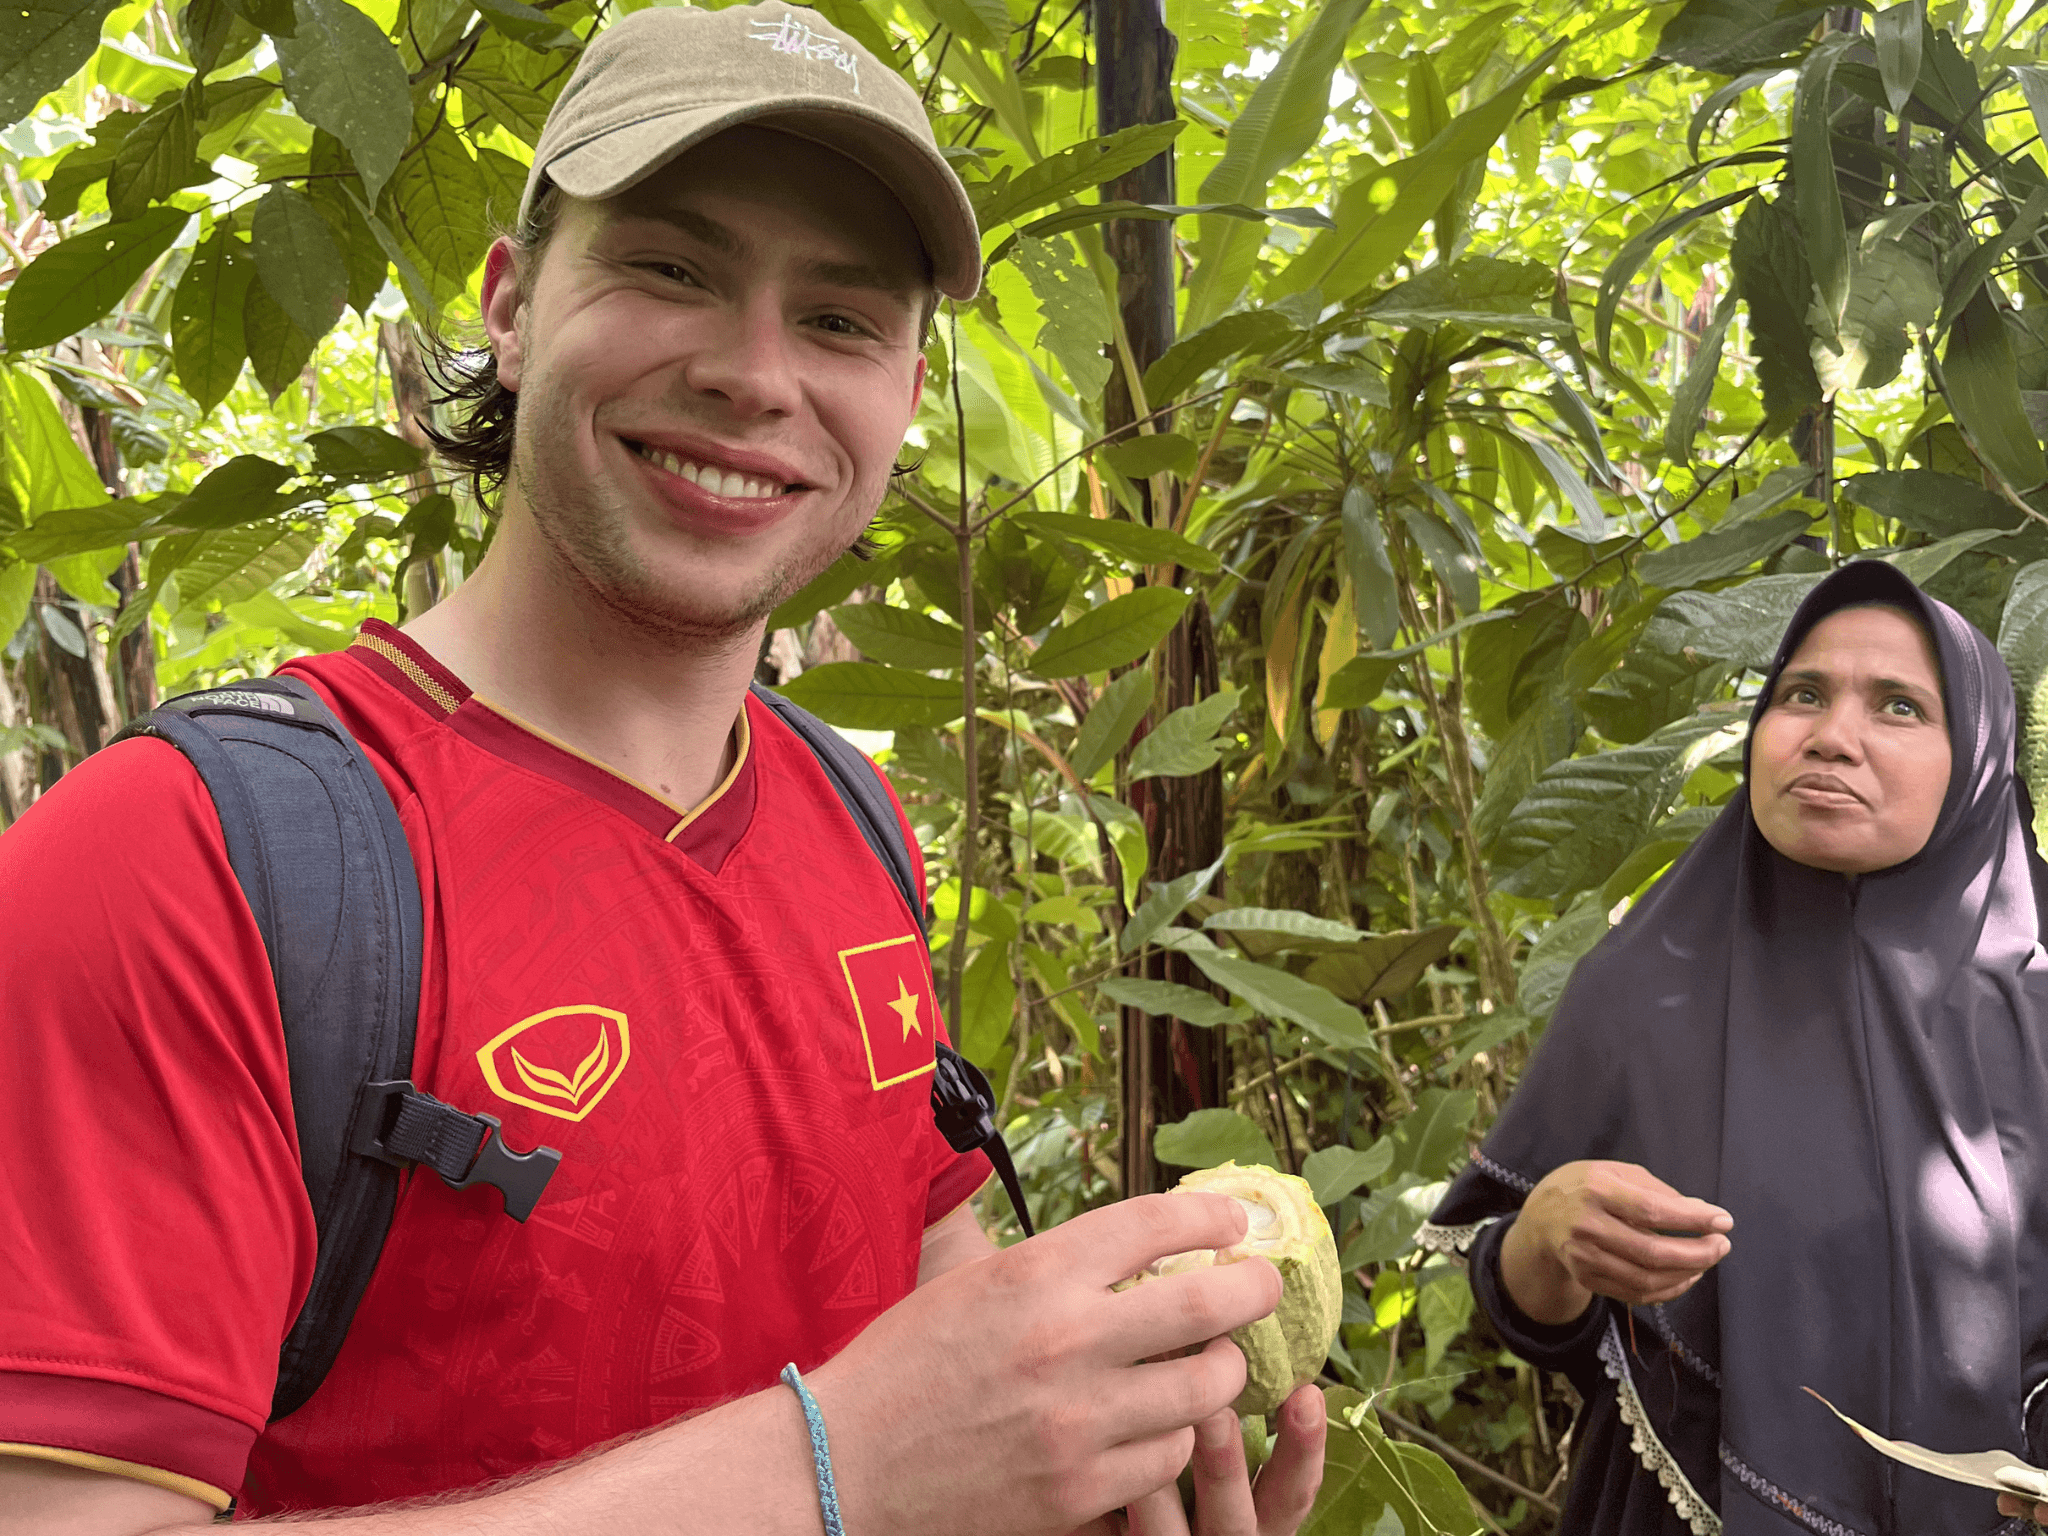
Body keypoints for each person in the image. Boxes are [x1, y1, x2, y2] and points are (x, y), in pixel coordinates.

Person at [0, 7, 1328, 1533]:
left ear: (903, 393)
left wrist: (1081, 1462)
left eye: (840, 321)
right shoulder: (180, 864)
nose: (756, 376)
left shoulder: (851, 815)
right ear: (510, 304)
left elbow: (916, 1280)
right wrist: (846, 1471)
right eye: (672, 270)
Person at [1422, 559, 2048, 1535]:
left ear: (1975, 754)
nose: (1830, 736)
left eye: (1895, 706)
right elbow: (1531, 1320)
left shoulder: (2038, 1010)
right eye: (1800, 693)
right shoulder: (1642, 988)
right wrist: (1546, 1233)